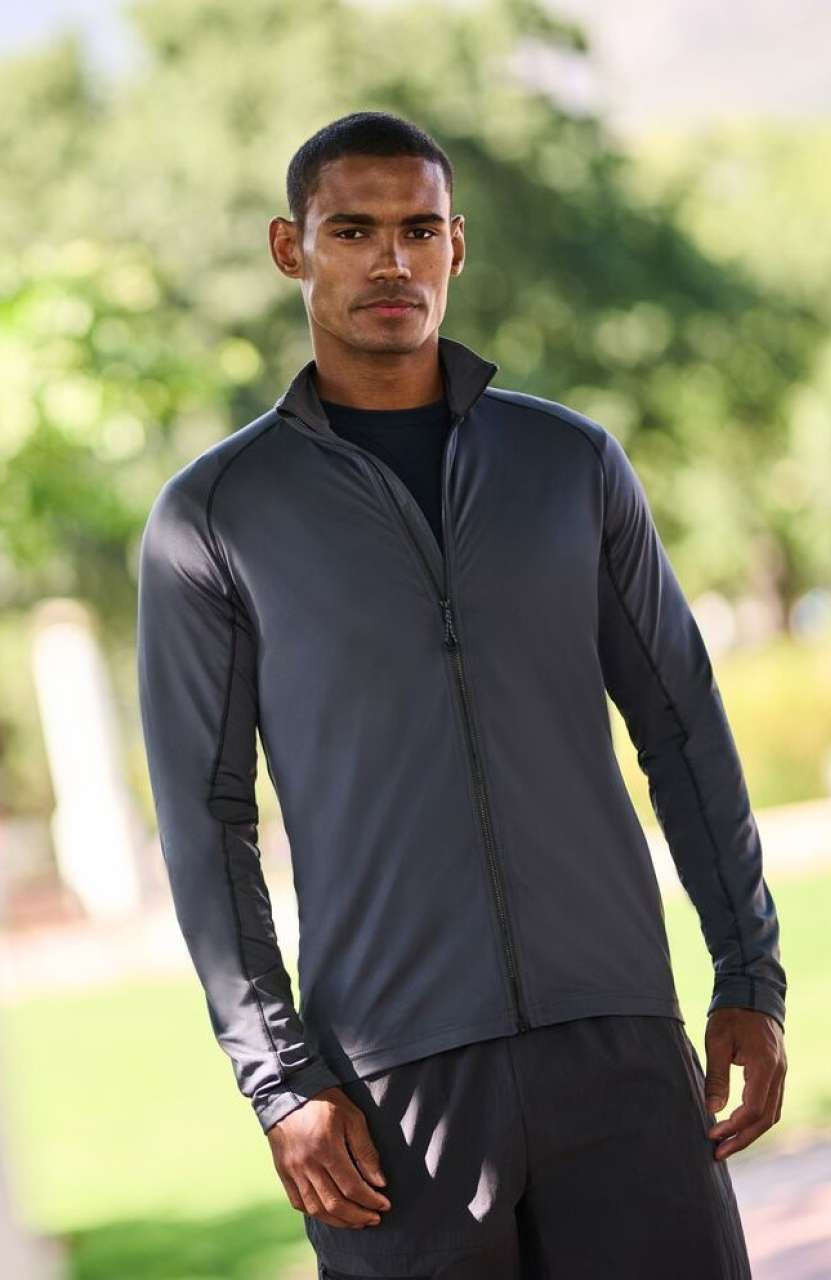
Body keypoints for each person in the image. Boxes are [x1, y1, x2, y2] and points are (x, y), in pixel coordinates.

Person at [136, 110, 788, 1278]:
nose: (391, 260)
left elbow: (681, 725)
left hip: (618, 1041)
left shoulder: (568, 464)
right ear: (290, 248)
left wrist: (747, 972)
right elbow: (203, 817)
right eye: (352, 230)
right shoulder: (216, 514)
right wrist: (279, 1077)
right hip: (390, 1080)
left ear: (456, 244)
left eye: (418, 229)